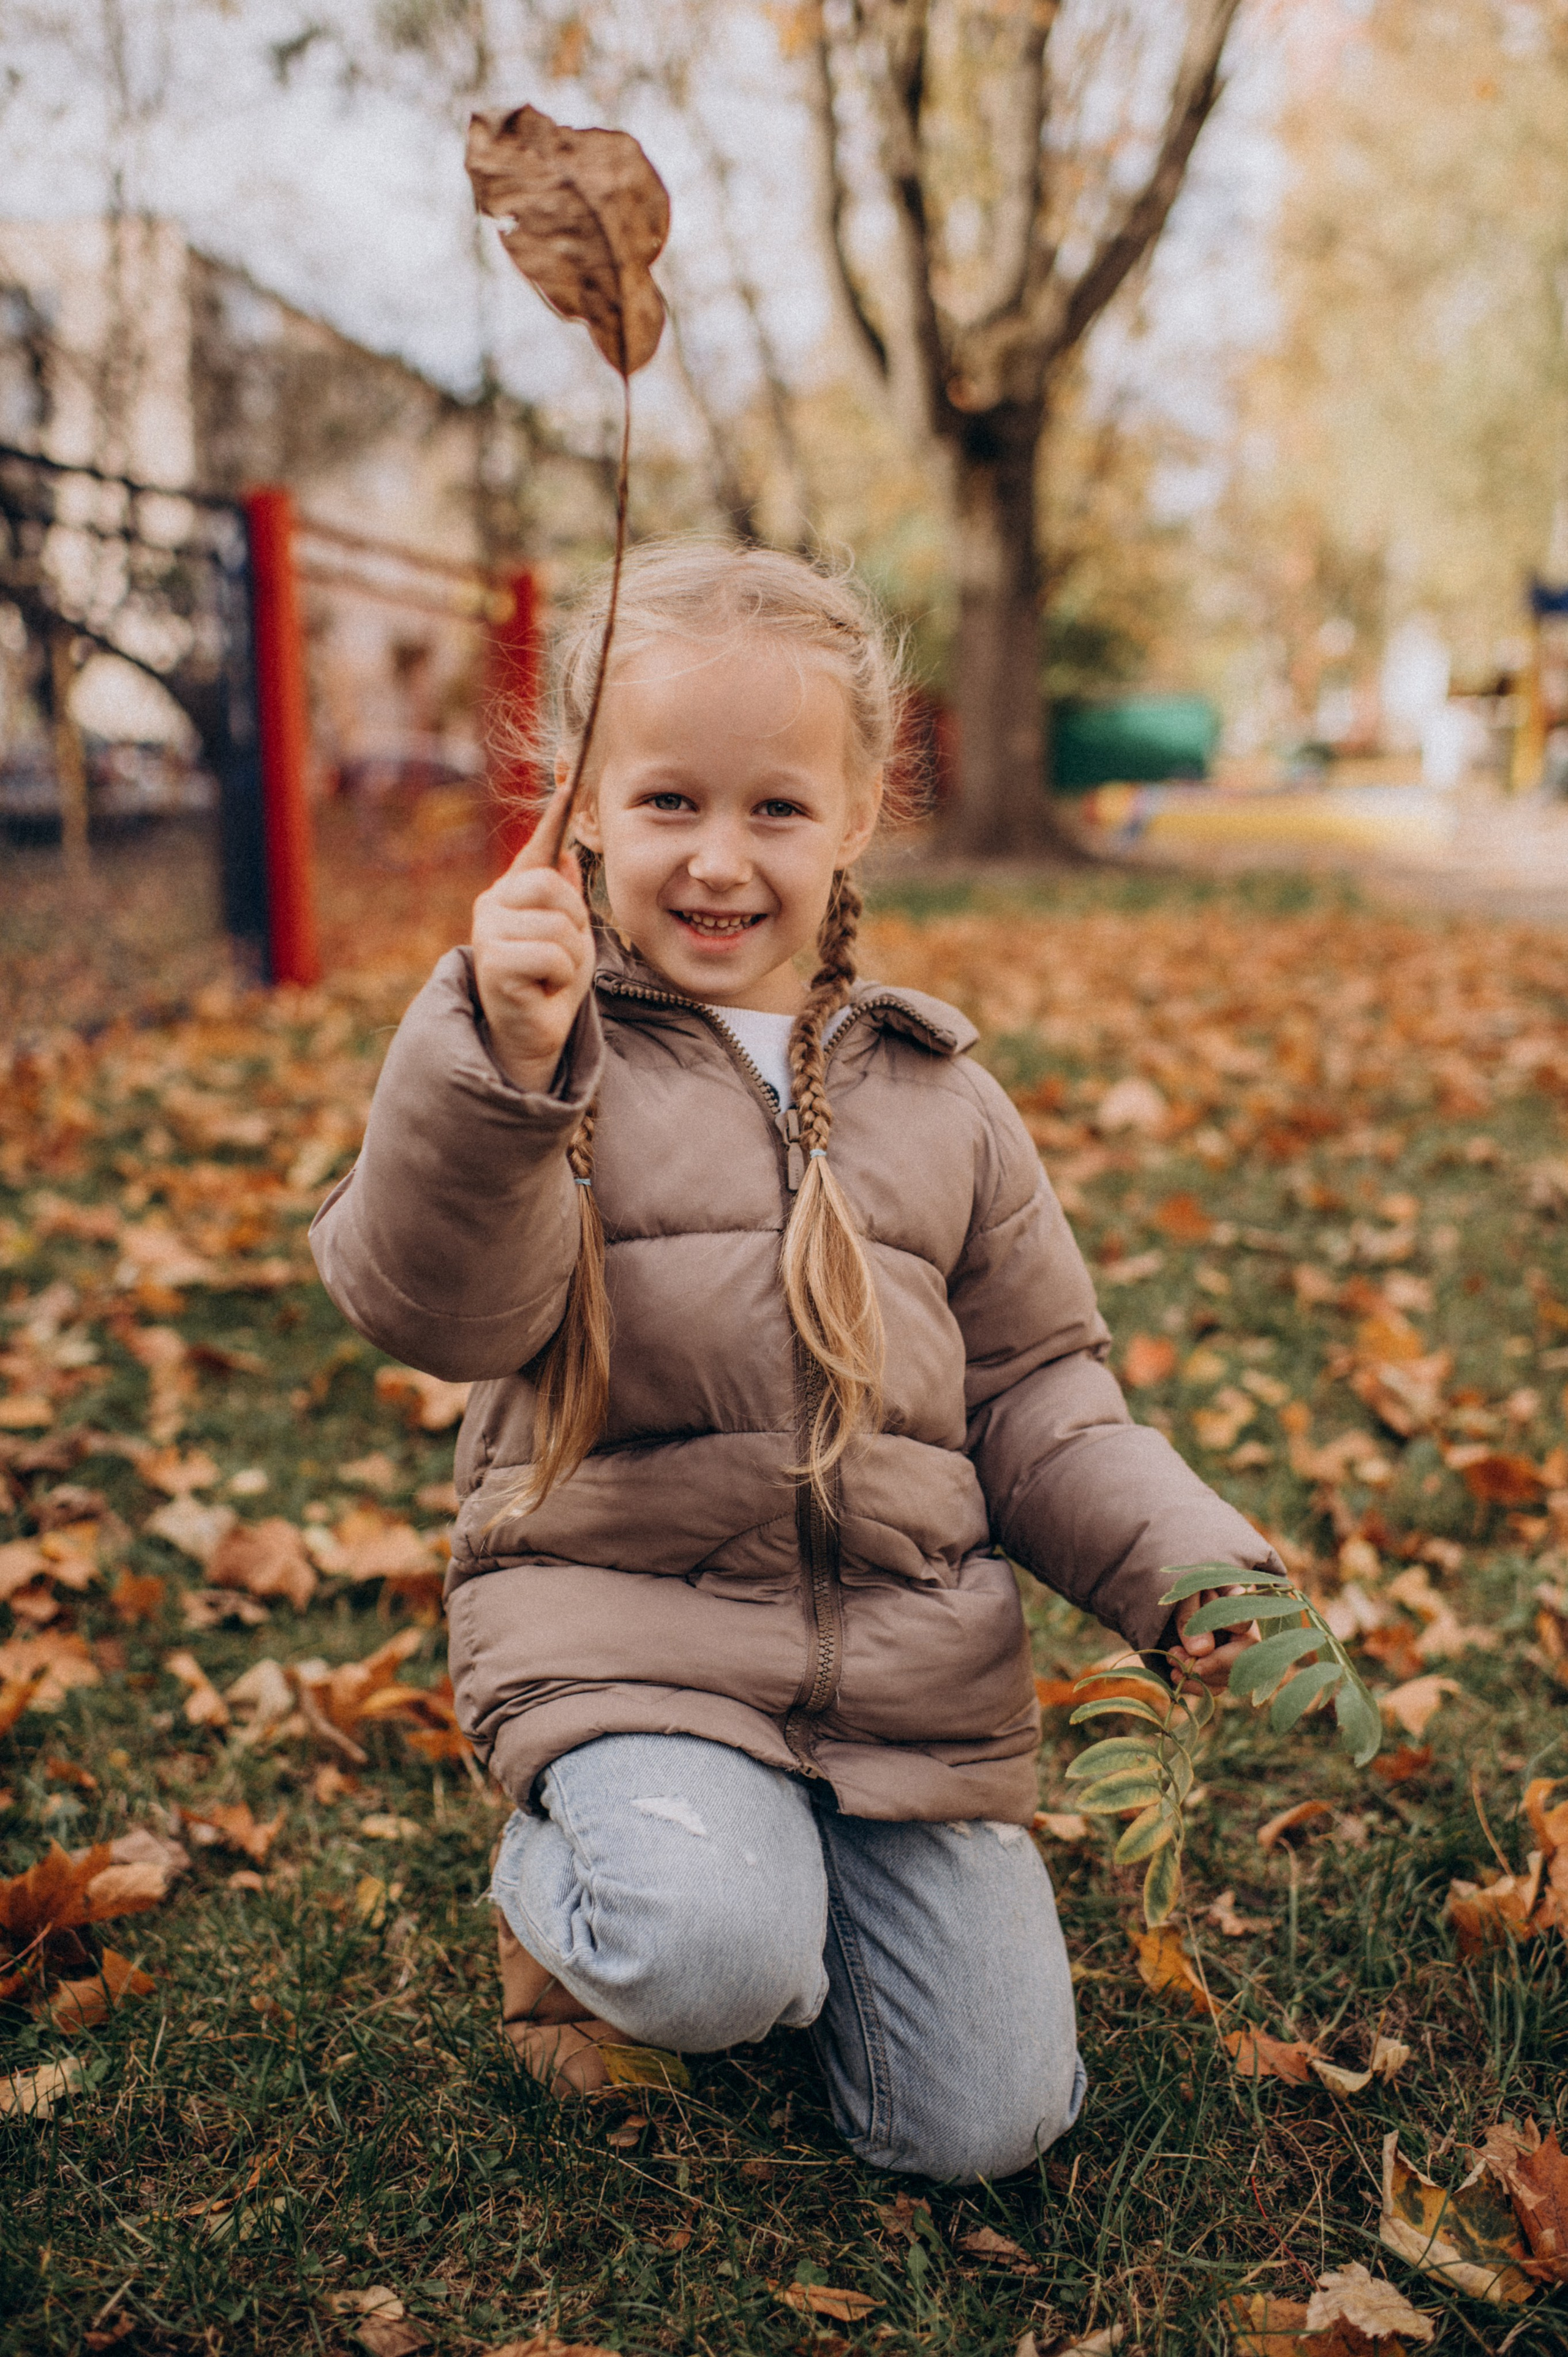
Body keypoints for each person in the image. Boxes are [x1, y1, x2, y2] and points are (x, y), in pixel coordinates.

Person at [310, 541, 1266, 2184]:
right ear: (582, 806)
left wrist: (1187, 1565)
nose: (719, 860)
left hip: (904, 1691)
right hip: (638, 1653)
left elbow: (1038, 1392)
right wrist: (495, 1065)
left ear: (856, 816)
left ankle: (787, 1905)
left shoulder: (938, 1096)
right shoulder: (539, 1052)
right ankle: (586, 1906)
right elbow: (435, 1308)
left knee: (983, 2125)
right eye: (670, 802)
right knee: (705, 1954)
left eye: (774, 810)